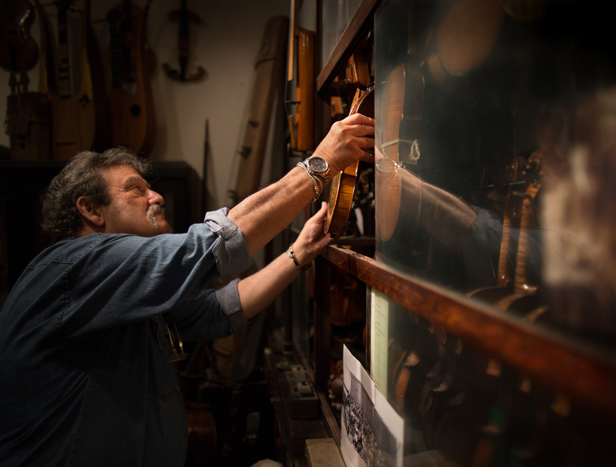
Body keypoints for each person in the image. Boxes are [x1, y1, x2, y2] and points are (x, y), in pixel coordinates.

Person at [0, 113, 375, 466]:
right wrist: (322, 161)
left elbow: (218, 310)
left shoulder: (120, 289)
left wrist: (298, 254)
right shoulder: (78, 265)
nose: (156, 197)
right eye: (136, 190)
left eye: (151, 189)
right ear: (91, 211)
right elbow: (214, 243)